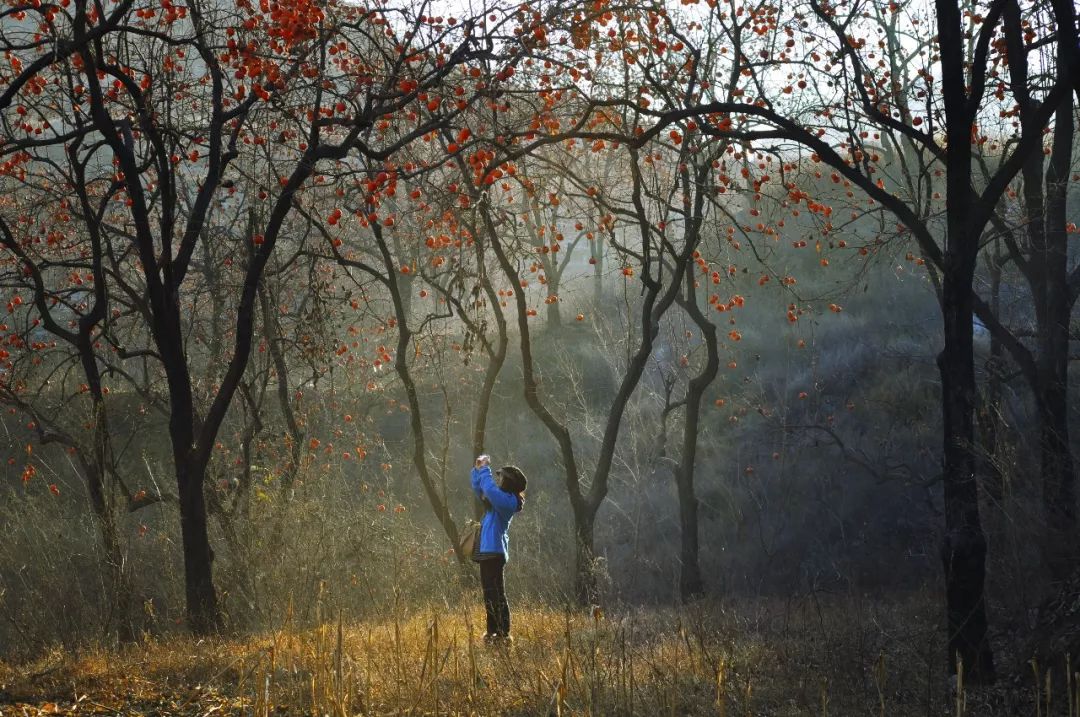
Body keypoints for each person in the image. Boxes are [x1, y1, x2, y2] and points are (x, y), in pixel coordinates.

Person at [470, 454, 527, 642]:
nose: (499, 480)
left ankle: (502, 632)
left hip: (494, 552)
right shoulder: (499, 501)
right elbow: (480, 489)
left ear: (509, 483)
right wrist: (477, 470)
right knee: (489, 594)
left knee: (496, 594)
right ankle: (492, 631)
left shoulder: (507, 502)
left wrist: (485, 469)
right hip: (488, 552)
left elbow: (489, 490)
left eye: (502, 477)